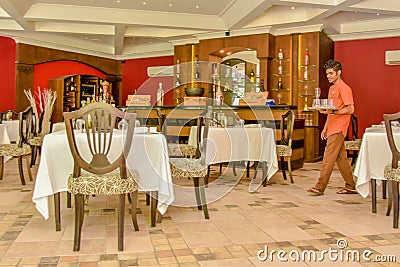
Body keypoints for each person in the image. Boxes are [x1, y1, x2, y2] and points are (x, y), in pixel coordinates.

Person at [307, 60, 357, 195]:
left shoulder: (344, 88)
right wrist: (325, 128)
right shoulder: (331, 88)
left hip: (339, 127)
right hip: (332, 126)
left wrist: (334, 113)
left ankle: (319, 187)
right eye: (327, 74)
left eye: (331, 73)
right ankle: (351, 185)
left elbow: (350, 109)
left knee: (328, 158)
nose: (328, 76)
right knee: (342, 159)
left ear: (338, 73)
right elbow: (330, 110)